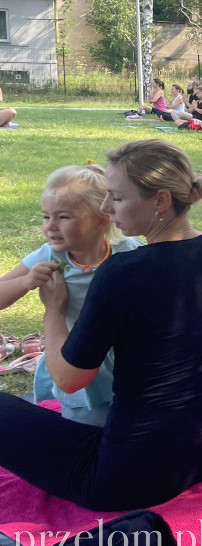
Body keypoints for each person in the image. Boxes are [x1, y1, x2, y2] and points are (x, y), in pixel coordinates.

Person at [0, 139, 202, 511]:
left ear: (160, 200)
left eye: (115, 197)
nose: (104, 207)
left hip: (131, 476)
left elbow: (69, 379)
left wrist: (53, 310)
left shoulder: (124, 270)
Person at [0, 165, 143, 425]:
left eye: (63, 217)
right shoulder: (49, 256)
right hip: (74, 360)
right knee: (85, 430)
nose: (50, 227)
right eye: (46, 217)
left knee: (127, 426)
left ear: (101, 220)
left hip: (126, 361)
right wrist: (26, 281)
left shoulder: (131, 254)